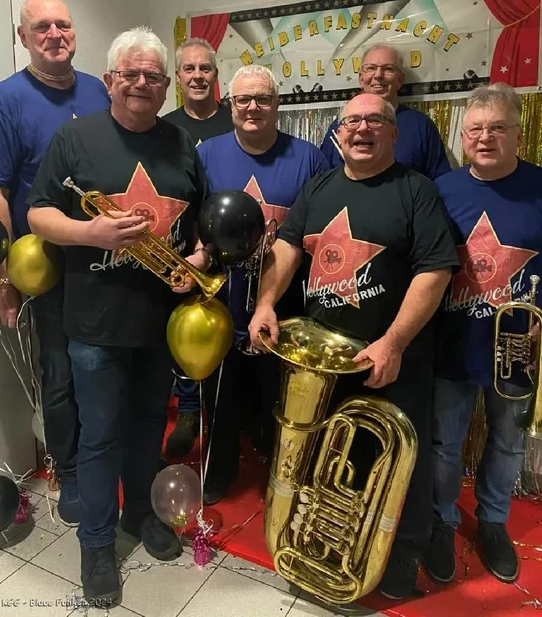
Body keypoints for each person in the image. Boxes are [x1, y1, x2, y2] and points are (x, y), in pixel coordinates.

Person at [249, 92, 459, 599]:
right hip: (323, 361)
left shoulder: (416, 190)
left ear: (393, 133)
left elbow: (435, 271)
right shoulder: (319, 186)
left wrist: (393, 342)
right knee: (326, 465)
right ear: (339, 134)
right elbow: (286, 247)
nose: (362, 129)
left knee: (397, 470)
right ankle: (320, 549)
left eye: (375, 121)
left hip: (390, 358)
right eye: (352, 122)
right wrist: (265, 304)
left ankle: (402, 554)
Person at [27, 27, 210, 605]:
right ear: (109, 80)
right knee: (101, 436)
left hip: (158, 322)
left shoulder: (182, 144)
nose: (140, 84)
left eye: (152, 76)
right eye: (129, 74)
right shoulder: (74, 138)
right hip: (95, 324)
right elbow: (37, 214)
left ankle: (139, 517)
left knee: (146, 428)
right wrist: (92, 233)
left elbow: (199, 227)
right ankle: (97, 543)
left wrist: (197, 260)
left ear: (165, 86)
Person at [0, 0, 110, 525]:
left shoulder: (99, 90)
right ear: (23, 37)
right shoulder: (5, 99)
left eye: (63, 24)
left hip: (106, 260)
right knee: (61, 373)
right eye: (41, 26)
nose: (54, 34)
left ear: (74, 32)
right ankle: (68, 469)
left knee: (107, 365)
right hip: (48, 266)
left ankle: (105, 455)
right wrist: (4, 278)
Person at [423, 83, 541, 585]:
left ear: (518, 134)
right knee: (443, 444)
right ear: (463, 136)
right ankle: (442, 521)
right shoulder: (440, 189)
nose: (485, 138)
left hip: (518, 347)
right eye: (475, 129)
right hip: (452, 341)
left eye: (497, 128)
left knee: (508, 444)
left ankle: (493, 521)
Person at [196, 64, 328, 505]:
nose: (253, 107)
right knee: (221, 391)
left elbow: (320, 228)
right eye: (243, 99)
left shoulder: (309, 158)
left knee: (277, 392)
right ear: (230, 105)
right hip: (222, 295)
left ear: (277, 104)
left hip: (284, 297)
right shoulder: (207, 154)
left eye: (263, 98)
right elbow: (197, 222)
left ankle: (280, 473)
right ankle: (220, 468)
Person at [162, 38, 233, 459]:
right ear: (178, 77)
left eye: (205, 68)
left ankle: (227, 417)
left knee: (228, 331)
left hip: (230, 244)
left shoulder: (235, 119)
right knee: (188, 330)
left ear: (216, 74)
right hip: (185, 248)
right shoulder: (166, 127)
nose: (197, 76)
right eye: (189, 69)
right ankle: (188, 412)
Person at [320, 44, 451, 180]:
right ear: (361, 79)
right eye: (371, 68)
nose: (378, 75)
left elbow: (441, 181)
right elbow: (324, 181)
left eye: (388, 69)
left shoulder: (421, 125)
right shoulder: (341, 126)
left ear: (400, 80)